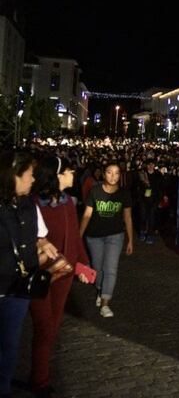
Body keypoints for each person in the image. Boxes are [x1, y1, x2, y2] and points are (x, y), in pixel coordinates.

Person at [29, 156, 90, 397]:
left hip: (64, 273)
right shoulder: (34, 204)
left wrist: (83, 266)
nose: (73, 174)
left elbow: (74, 237)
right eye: (69, 171)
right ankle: (40, 380)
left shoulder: (68, 203)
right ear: (57, 175)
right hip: (40, 274)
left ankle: (40, 374)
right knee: (44, 326)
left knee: (53, 326)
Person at [0, 151, 58, 397]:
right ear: (12, 176)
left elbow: (34, 236)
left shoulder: (29, 205)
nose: (33, 179)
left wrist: (41, 244)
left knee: (9, 346)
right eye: (29, 175)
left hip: (19, 290)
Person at [79, 162, 134, 318]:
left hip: (115, 235)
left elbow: (128, 217)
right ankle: (100, 289)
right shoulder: (95, 191)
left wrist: (130, 240)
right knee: (97, 268)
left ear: (120, 175)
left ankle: (105, 303)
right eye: (109, 172)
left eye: (116, 173)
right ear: (104, 174)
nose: (113, 176)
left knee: (110, 268)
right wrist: (78, 235)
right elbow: (87, 215)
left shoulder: (124, 194)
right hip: (94, 236)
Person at [137, 159, 162, 244]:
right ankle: (142, 231)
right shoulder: (142, 174)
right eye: (149, 164)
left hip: (154, 199)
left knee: (152, 217)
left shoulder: (158, 175)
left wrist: (160, 198)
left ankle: (150, 234)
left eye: (152, 164)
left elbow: (161, 187)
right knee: (143, 215)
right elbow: (138, 186)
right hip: (143, 198)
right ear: (146, 165)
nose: (151, 166)